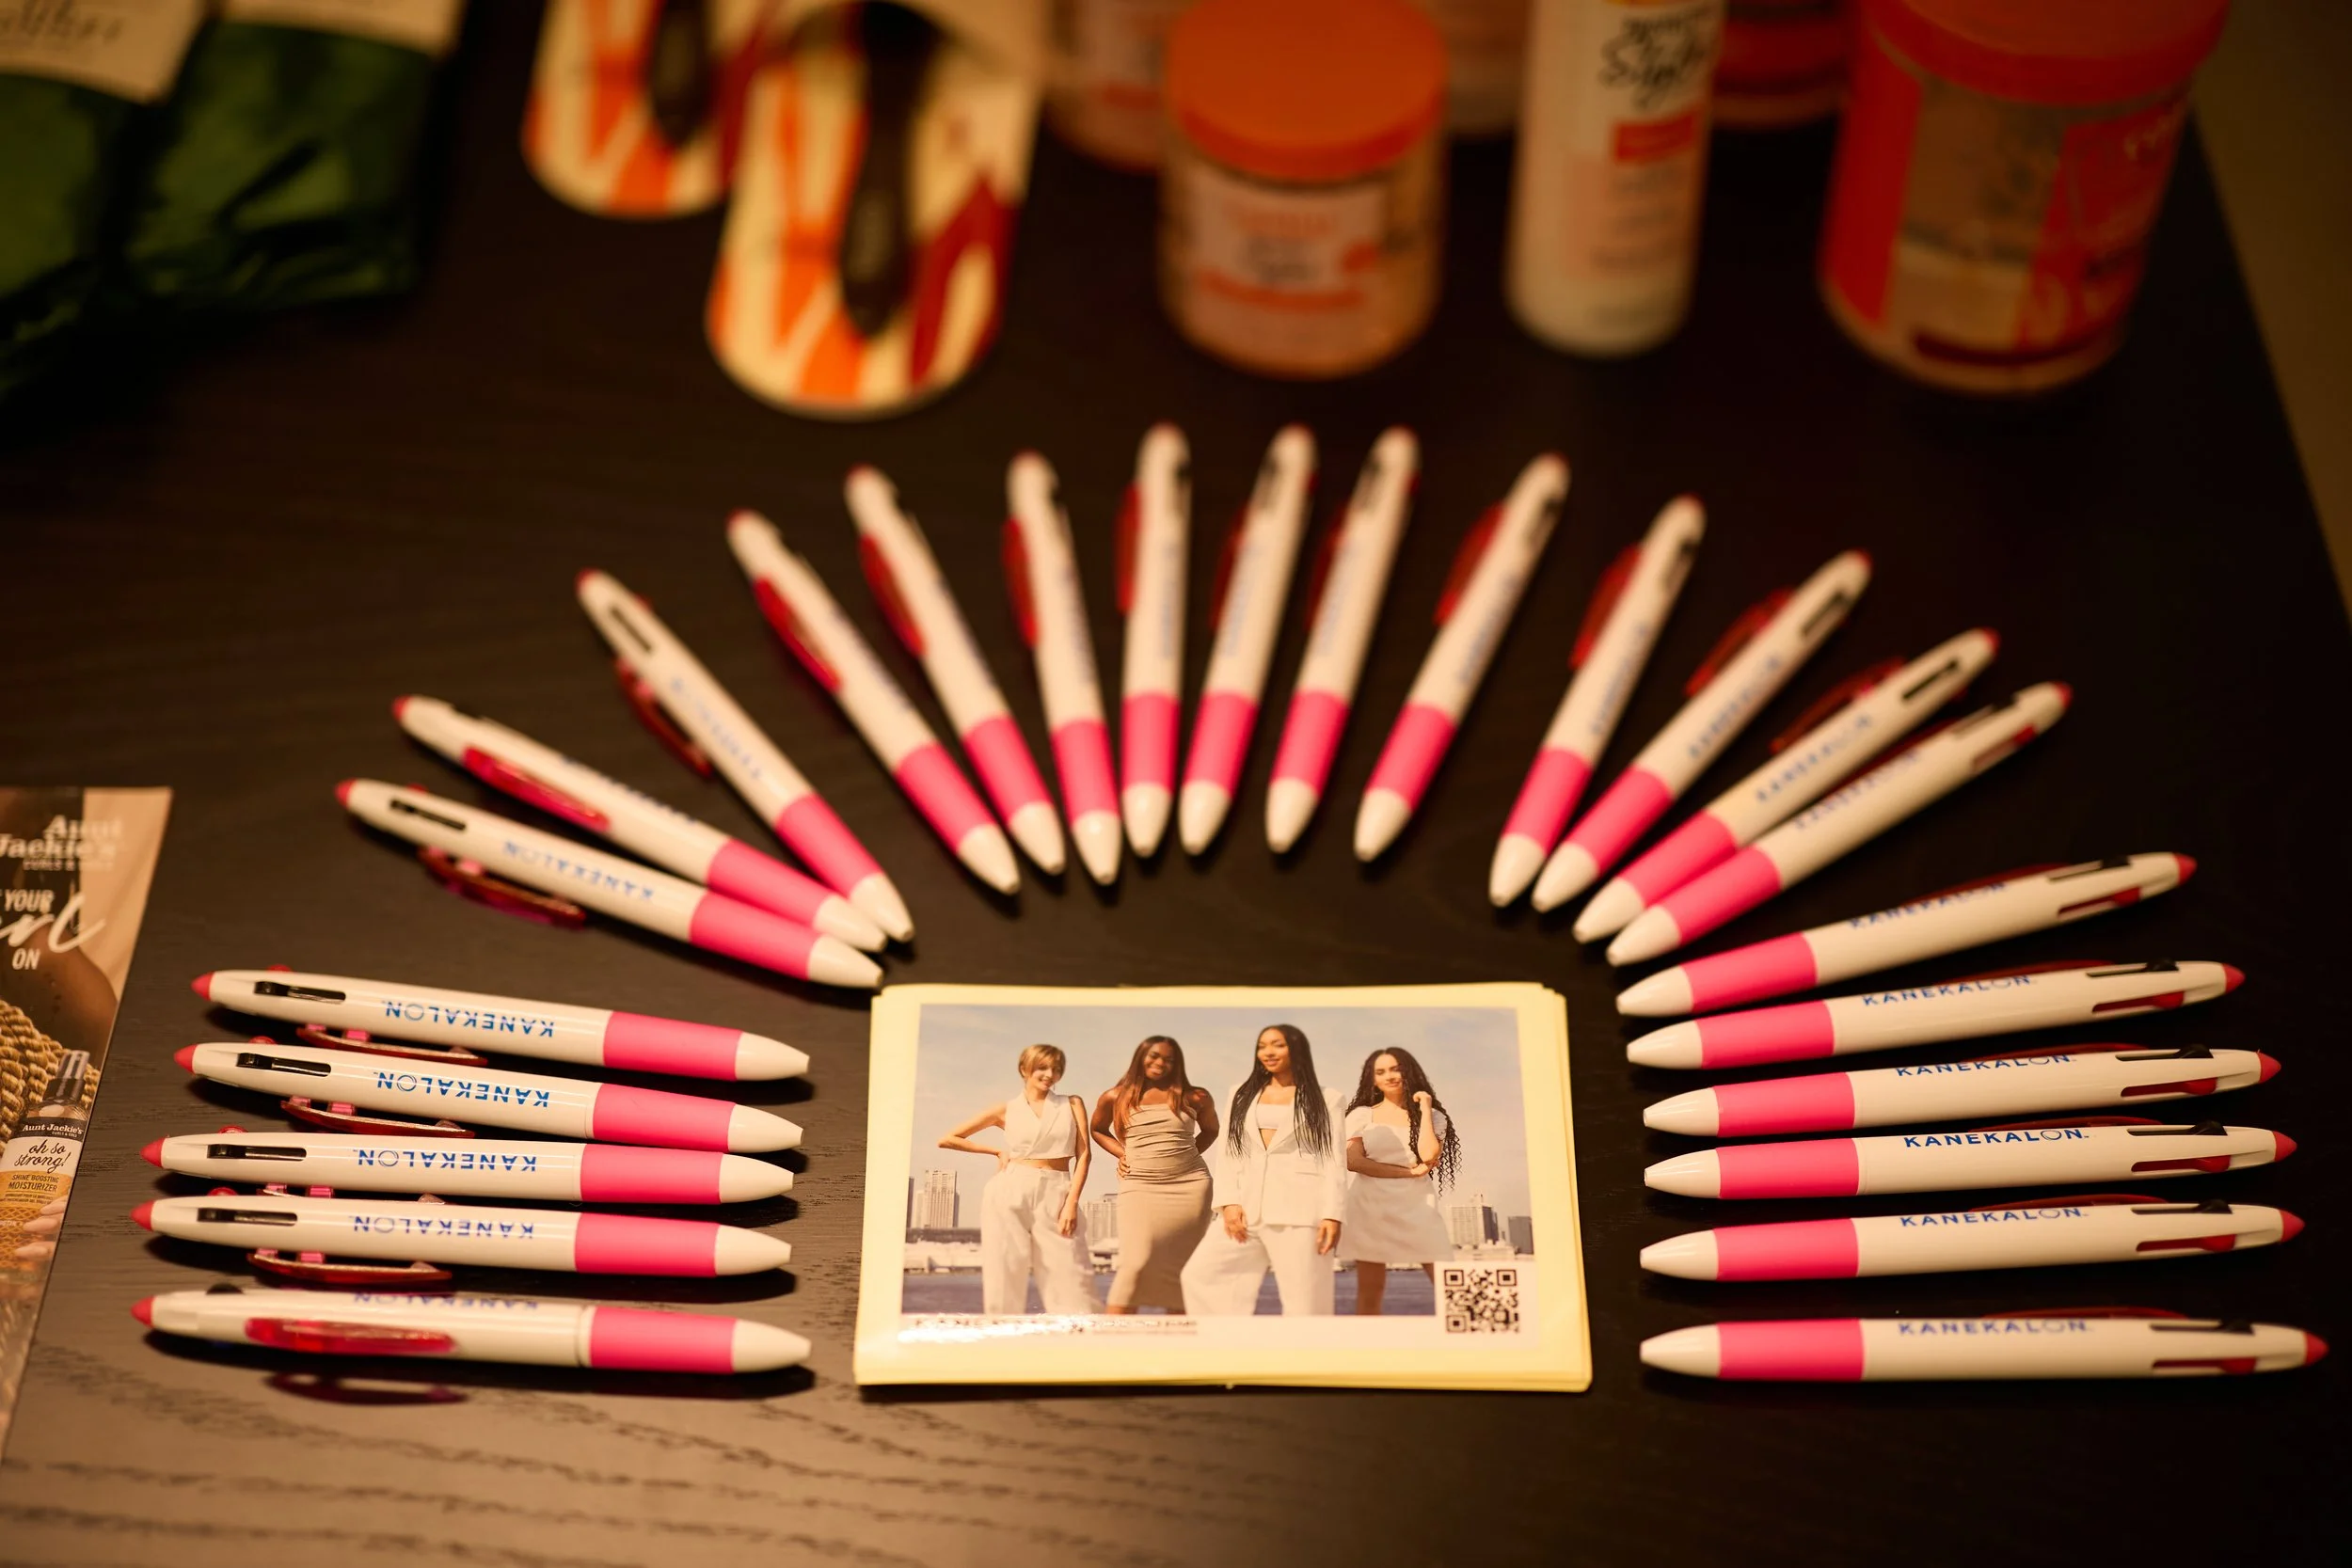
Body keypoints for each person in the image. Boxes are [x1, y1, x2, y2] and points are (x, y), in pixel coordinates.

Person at [1181, 1023, 1346, 1315]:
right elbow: (1230, 1151)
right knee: (1201, 1276)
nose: (1268, 1052)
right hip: (1245, 1209)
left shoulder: (1328, 1098)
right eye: (1262, 1046)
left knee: (1305, 1301)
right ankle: (1229, 1348)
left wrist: (1333, 1214)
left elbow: (1333, 1158)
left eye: (1278, 1045)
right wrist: (1229, 1202)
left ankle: (1307, 1358)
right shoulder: (1240, 1094)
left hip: (1301, 1211)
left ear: (1297, 1049)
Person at [938, 1044, 1100, 1314]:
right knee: (1004, 1270)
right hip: (1010, 1187)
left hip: (1058, 1189)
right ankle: (1002, 1342)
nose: (1050, 1074)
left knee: (1073, 1275)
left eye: (1056, 1069)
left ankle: (1082, 1344)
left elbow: (1084, 1155)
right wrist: (996, 1151)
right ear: (1025, 1069)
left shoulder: (1072, 1104)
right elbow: (948, 1139)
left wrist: (1072, 1202)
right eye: (1043, 1068)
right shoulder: (1006, 1109)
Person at [1089, 1035, 1218, 1314]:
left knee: (1182, 1265)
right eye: (1154, 1056)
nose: (1161, 1063)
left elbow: (1211, 1130)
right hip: (1140, 1185)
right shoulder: (1115, 1096)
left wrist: (1186, 1153)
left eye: (1169, 1059)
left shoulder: (1196, 1096)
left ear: (1177, 1064)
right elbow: (1097, 1130)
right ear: (1141, 1057)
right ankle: (1112, 1343)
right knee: (1134, 1264)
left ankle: (1179, 1345)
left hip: (1191, 1186)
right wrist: (1123, 1153)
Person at [1340, 1047, 1463, 1314]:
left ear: (1409, 1071)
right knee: (1370, 1293)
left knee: (1449, 1288)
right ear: (1372, 1080)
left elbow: (1428, 1155)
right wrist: (1408, 1172)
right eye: (1381, 1071)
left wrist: (1426, 1108)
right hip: (1369, 1206)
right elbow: (1353, 1162)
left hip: (1418, 1206)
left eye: (1396, 1068)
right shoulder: (1361, 1115)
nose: (1390, 1076)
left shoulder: (1434, 1116)